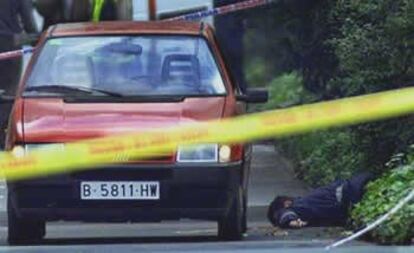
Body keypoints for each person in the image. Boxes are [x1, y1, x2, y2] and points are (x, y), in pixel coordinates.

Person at [267, 172, 374, 228]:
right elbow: (283, 214)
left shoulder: (299, 204)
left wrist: (289, 220)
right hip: (350, 190)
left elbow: (283, 215)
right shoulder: (301, 203)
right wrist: (290, 220)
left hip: (349, 194)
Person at [0, 0, 38, 149]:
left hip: (10, 45)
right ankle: (3, 141)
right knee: (8, 96)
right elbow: (30, 27)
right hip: (10, 46)